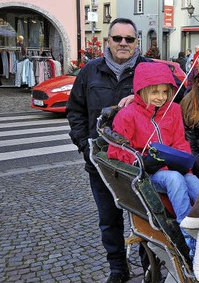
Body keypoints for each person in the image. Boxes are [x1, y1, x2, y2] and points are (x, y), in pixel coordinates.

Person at [66, 18, 148, 283]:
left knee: (146, 217)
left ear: (137, 42)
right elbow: (75, 110)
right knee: (109, 220)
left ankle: (151, 265)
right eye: (118, 38)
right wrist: (83, 144)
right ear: (108, 41)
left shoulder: (148, 70)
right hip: (100, 161)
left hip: (139, 162)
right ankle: (118, 268)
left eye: (129, 39)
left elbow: (169, 103)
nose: (123, 43)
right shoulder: (90, 71)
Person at [107, 62, 199, 254]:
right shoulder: (128, 115)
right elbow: (115, 150)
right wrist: (139, 161)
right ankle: (187, 231)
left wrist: (185, 162)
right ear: (141, 92)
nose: (161, 97)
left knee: (194, 182)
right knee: (174, 179)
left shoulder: (173, 110)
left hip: (173, 166)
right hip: (150, 172)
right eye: (155, 92)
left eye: (165, 92)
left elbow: (180, 141)